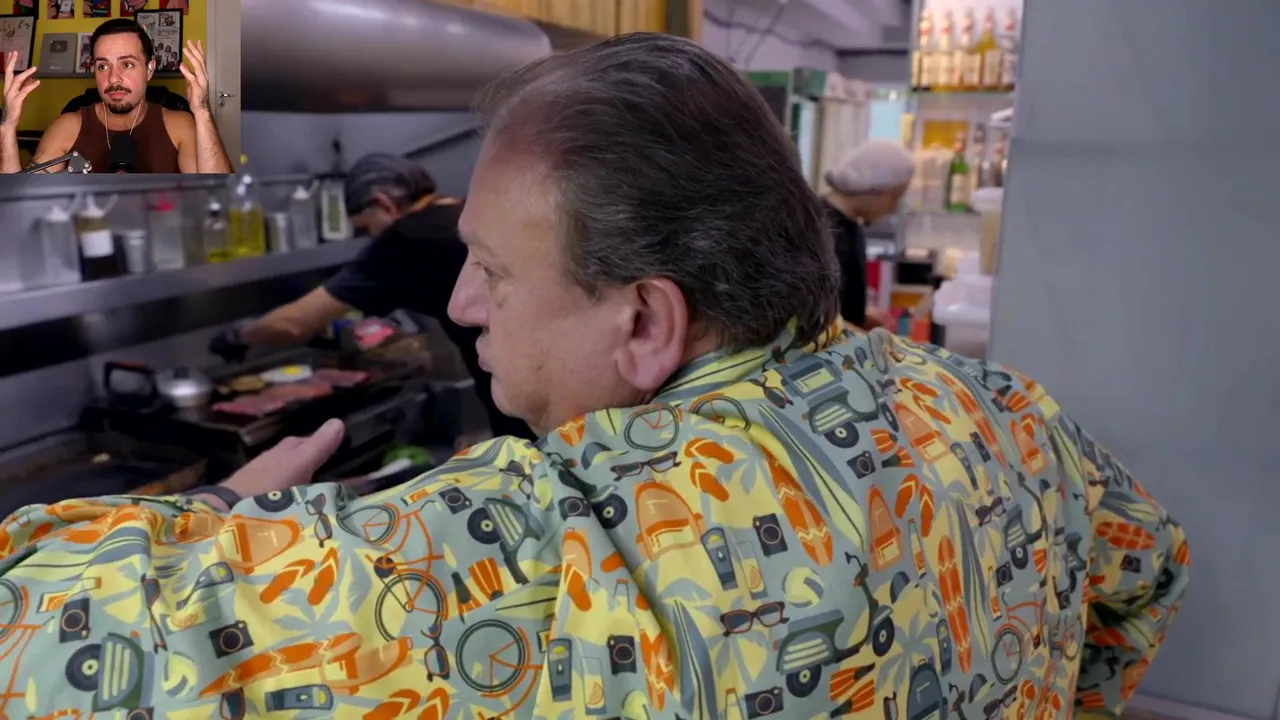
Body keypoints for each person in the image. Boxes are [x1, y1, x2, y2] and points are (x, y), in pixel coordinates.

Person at [0, 34, 1188, 719]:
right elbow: (1145, 571)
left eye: (492, 271)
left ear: (645, 323)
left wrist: (219, 511)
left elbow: (32, 637)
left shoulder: (555, 541)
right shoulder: (1005, 411)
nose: (462, 307)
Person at [208, 153, 534, 443]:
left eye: (365, 227)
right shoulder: (463, 210)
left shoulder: (403, 239)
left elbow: (294, 323)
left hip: (512, 388)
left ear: (384, 204)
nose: (369, 238)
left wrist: (238, 335)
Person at [0, 19, 232, 173]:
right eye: (103, 66)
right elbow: (20, 199)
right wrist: (7, 126)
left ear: (149, 69)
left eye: (127, 64)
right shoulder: (67, 126)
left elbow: (219, 197)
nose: (113, 78)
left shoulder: (180, 125)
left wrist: (202, 111)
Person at [823, 139, 916, 330]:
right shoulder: (824, 232)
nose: (893, 208)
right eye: (895, 197)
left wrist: (859, 314)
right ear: (874, 189)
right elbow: (815, 320)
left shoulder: (849, 225)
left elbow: (839, 304)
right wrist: (868, 340)